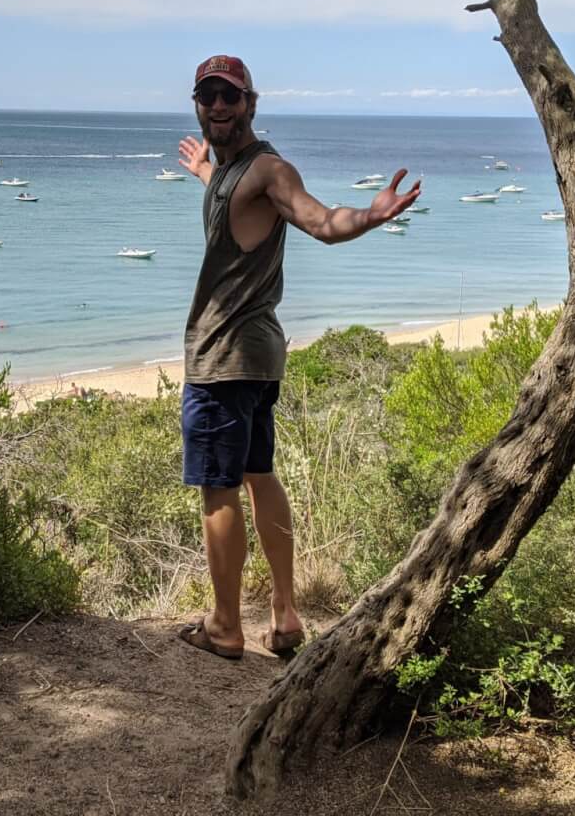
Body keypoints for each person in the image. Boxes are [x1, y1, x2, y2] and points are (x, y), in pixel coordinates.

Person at [174, 54, 420, 661]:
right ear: (198, 107)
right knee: (259, 475)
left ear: (251, 104)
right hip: (257, 356)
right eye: (208, 98)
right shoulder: (234, 173)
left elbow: (318, 220)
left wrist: (367, 216)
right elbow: (234, 202)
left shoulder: (269, 170)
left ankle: (225, 626)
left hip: (225, 358)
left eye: (229, 97)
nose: (218, 107)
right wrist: (206, 171)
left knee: (218, 487)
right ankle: (285, 615)